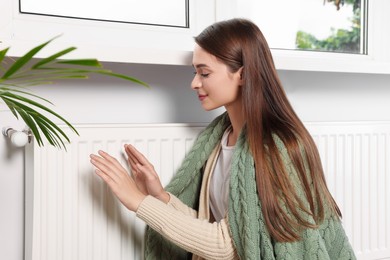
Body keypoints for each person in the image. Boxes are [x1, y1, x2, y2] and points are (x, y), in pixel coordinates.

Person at [90, 18, 356, 260]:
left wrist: (138, 202)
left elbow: (230, 245)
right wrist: (160, 196)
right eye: (195, 73)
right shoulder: (222, 137)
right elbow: (219, 228)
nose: (194, 83)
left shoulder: (275, 146)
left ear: (241, 74)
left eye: (204, 73)